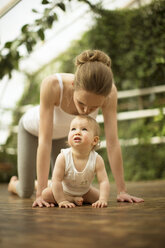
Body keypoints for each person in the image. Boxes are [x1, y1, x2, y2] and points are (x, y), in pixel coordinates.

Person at [8, 49, 144, 207]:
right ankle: (14, 184)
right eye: (81, 103)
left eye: (94, 107)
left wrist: (122, 191)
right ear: (73, 85)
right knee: (25, 191)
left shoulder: (110, 93)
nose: (86, 111)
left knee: (66, 185)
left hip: (65, 137)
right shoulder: (52, 84)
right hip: (33, 131)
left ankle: (42, 183)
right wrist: (41, 195)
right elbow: (44, 142)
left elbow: (112, 142)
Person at [42, 115, 110, 208]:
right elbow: (56, 181)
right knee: (46, 194)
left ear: (94, 140)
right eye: (73, 129)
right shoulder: (63, 157)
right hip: (63, 191)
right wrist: (62, 200)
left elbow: (103, 181)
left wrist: (102, 199)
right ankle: (71, 199)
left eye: (84, 129)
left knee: (100, 196)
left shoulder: (97, 159)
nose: (77, 132)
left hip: (85, 192)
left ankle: (81, 198)